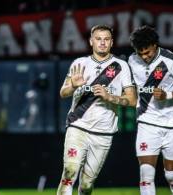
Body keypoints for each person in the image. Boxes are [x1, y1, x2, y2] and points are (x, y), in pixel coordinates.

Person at [57, 24, 137, 195]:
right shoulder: (80, 63)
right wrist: (72, 85)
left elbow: (132, 100)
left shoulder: (120, 66)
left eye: (106, 39)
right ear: (91, 41)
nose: (102, 43)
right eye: (98, 39)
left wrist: (110, 97)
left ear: (112, 42)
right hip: (78, 126)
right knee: (69, 172)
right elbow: (63, 93)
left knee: (86, 184)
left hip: (104, 132)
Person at [128, 25, 173, 195]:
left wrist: (168, 95)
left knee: (171, 175)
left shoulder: (171, 61)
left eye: (147, 53)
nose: (144, 57)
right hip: (147, 122)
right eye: (140, 53)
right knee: (146, 174)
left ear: (155, 45)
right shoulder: (132, 61)